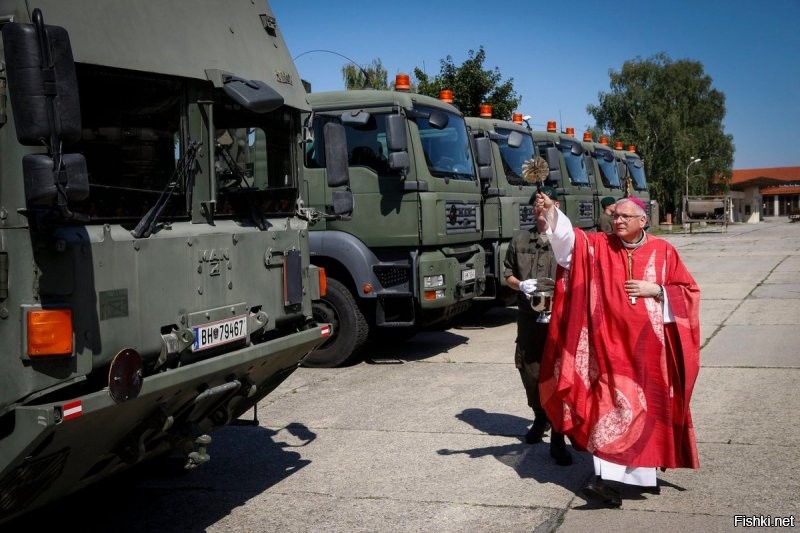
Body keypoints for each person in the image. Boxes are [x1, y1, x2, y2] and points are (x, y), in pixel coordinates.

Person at [536, 196, 700, 507]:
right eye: (615, 216)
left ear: (643, 220)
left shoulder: (664, 251)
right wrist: (552, 213)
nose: (618, 221)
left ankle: (639, 477)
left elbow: (689, 292)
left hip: (651, 351)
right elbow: (569, 246)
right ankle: (608, 481)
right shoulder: (599, 246)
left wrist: (659, 290)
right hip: (608, 346)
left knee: (647, 411)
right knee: (610, 410)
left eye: (626, 216)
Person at [503, 186, 572, 467]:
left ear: (555, 206)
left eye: (544, 204)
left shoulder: (567, 241)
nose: (539, 209)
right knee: (529, 367)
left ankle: (558, 436)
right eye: (535, 206)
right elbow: (507, 273)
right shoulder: (520, 239)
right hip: (529, 316)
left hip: (559, 316)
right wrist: (520, 285)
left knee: (557, 372)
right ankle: (540, 416)